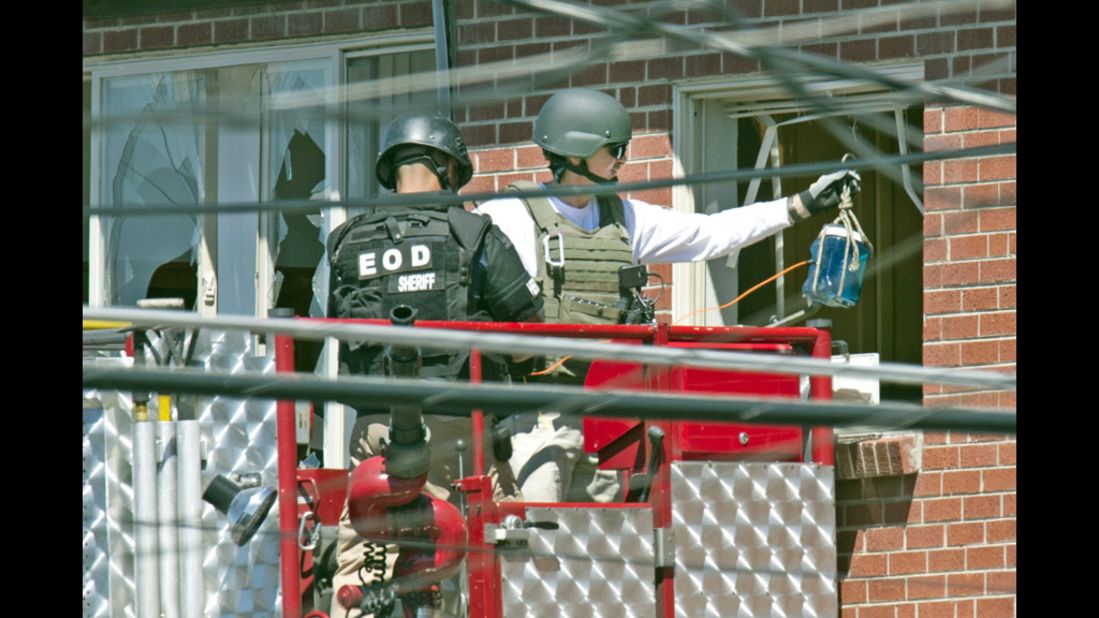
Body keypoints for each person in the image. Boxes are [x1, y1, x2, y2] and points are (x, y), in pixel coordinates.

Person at [475, 88, 861, 503]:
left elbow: (708, 234)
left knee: (604, 546)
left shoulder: (623, 217)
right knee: (535, 535)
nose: (622, 158)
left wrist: (799, 205)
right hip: (538, 417)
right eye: (614, 149)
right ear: (575, 154)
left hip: (607, 418)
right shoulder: (510, 214)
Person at [328, 114, 542, 618]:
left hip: (373, 427)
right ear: (447, 166)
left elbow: (333, 327)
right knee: (459, 551)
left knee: (366, 553)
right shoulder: (473, 235)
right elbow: (528, 338)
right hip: (456, 427)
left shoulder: (344, 241)